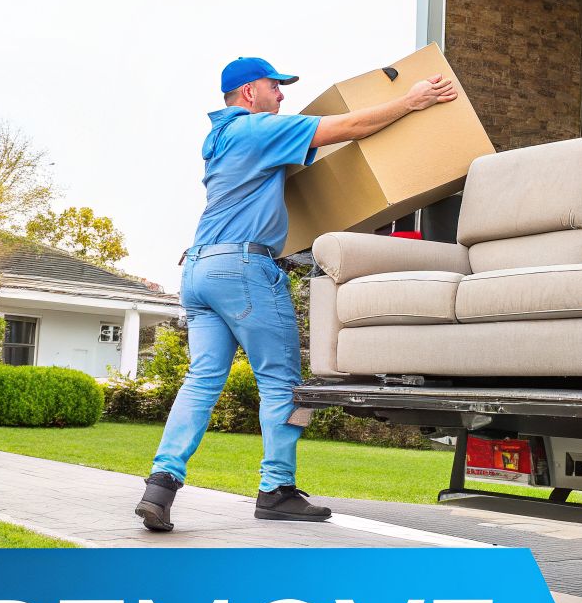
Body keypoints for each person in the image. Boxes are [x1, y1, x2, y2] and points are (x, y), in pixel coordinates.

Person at [135, 55, 456, 533]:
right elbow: (350, 126)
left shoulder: (220, 140)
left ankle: (160, 487)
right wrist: (411, 101)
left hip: (200, 266)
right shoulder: (257, 129)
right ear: (249, 93)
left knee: (201, 381)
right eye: (274, 86)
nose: (281, 95)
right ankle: (277, 489)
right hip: (243, 268)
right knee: (282, 383)